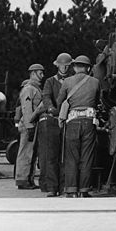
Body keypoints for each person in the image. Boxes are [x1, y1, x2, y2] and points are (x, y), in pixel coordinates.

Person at [56, 55, 101, 198]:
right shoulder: (95, 82)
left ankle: (71, 190)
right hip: (89, 121)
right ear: (88, 68)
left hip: (73, 121)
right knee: (86, 156)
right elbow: (98, 101)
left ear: (75, 67)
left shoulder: (68, 81)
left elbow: (59, 102)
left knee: (71, 156)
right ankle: (84, 190)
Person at [38, 52, 73, 197]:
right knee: (51, 155)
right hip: (53, 120)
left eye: (67, 65)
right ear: (57, 65)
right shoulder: (50, 81)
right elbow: (46, 96)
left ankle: (64, 186)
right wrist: (51, 108)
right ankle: (52, 187)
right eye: (61, 65)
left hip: (68, 119)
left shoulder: (72, 81)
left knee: (66, 156)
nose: (64, 68)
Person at [15, 63, 45, 189]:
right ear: (33, 73)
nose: (42, 75)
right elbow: (26, 109)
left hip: (32, 124)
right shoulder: (29, 89)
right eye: (40, 73)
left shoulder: (36, 88)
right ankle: (22, 180)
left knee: (31, 153)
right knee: (26, 152)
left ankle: (29, 179)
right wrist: (29, 126)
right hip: (29, 124)